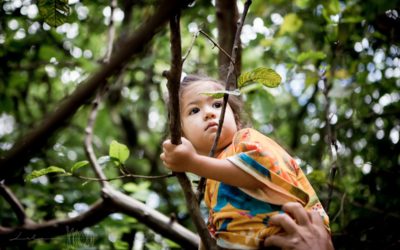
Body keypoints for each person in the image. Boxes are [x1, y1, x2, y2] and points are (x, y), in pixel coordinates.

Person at [160, 75, 330, 249]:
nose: (209, 113)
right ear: (182, 136)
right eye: (194, 110)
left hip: (294, 233)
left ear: (236, 119)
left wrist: (193, 162)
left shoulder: (245, 139)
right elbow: (216, 228)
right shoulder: (211, 181)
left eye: (218, 105)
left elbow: (255, 173)